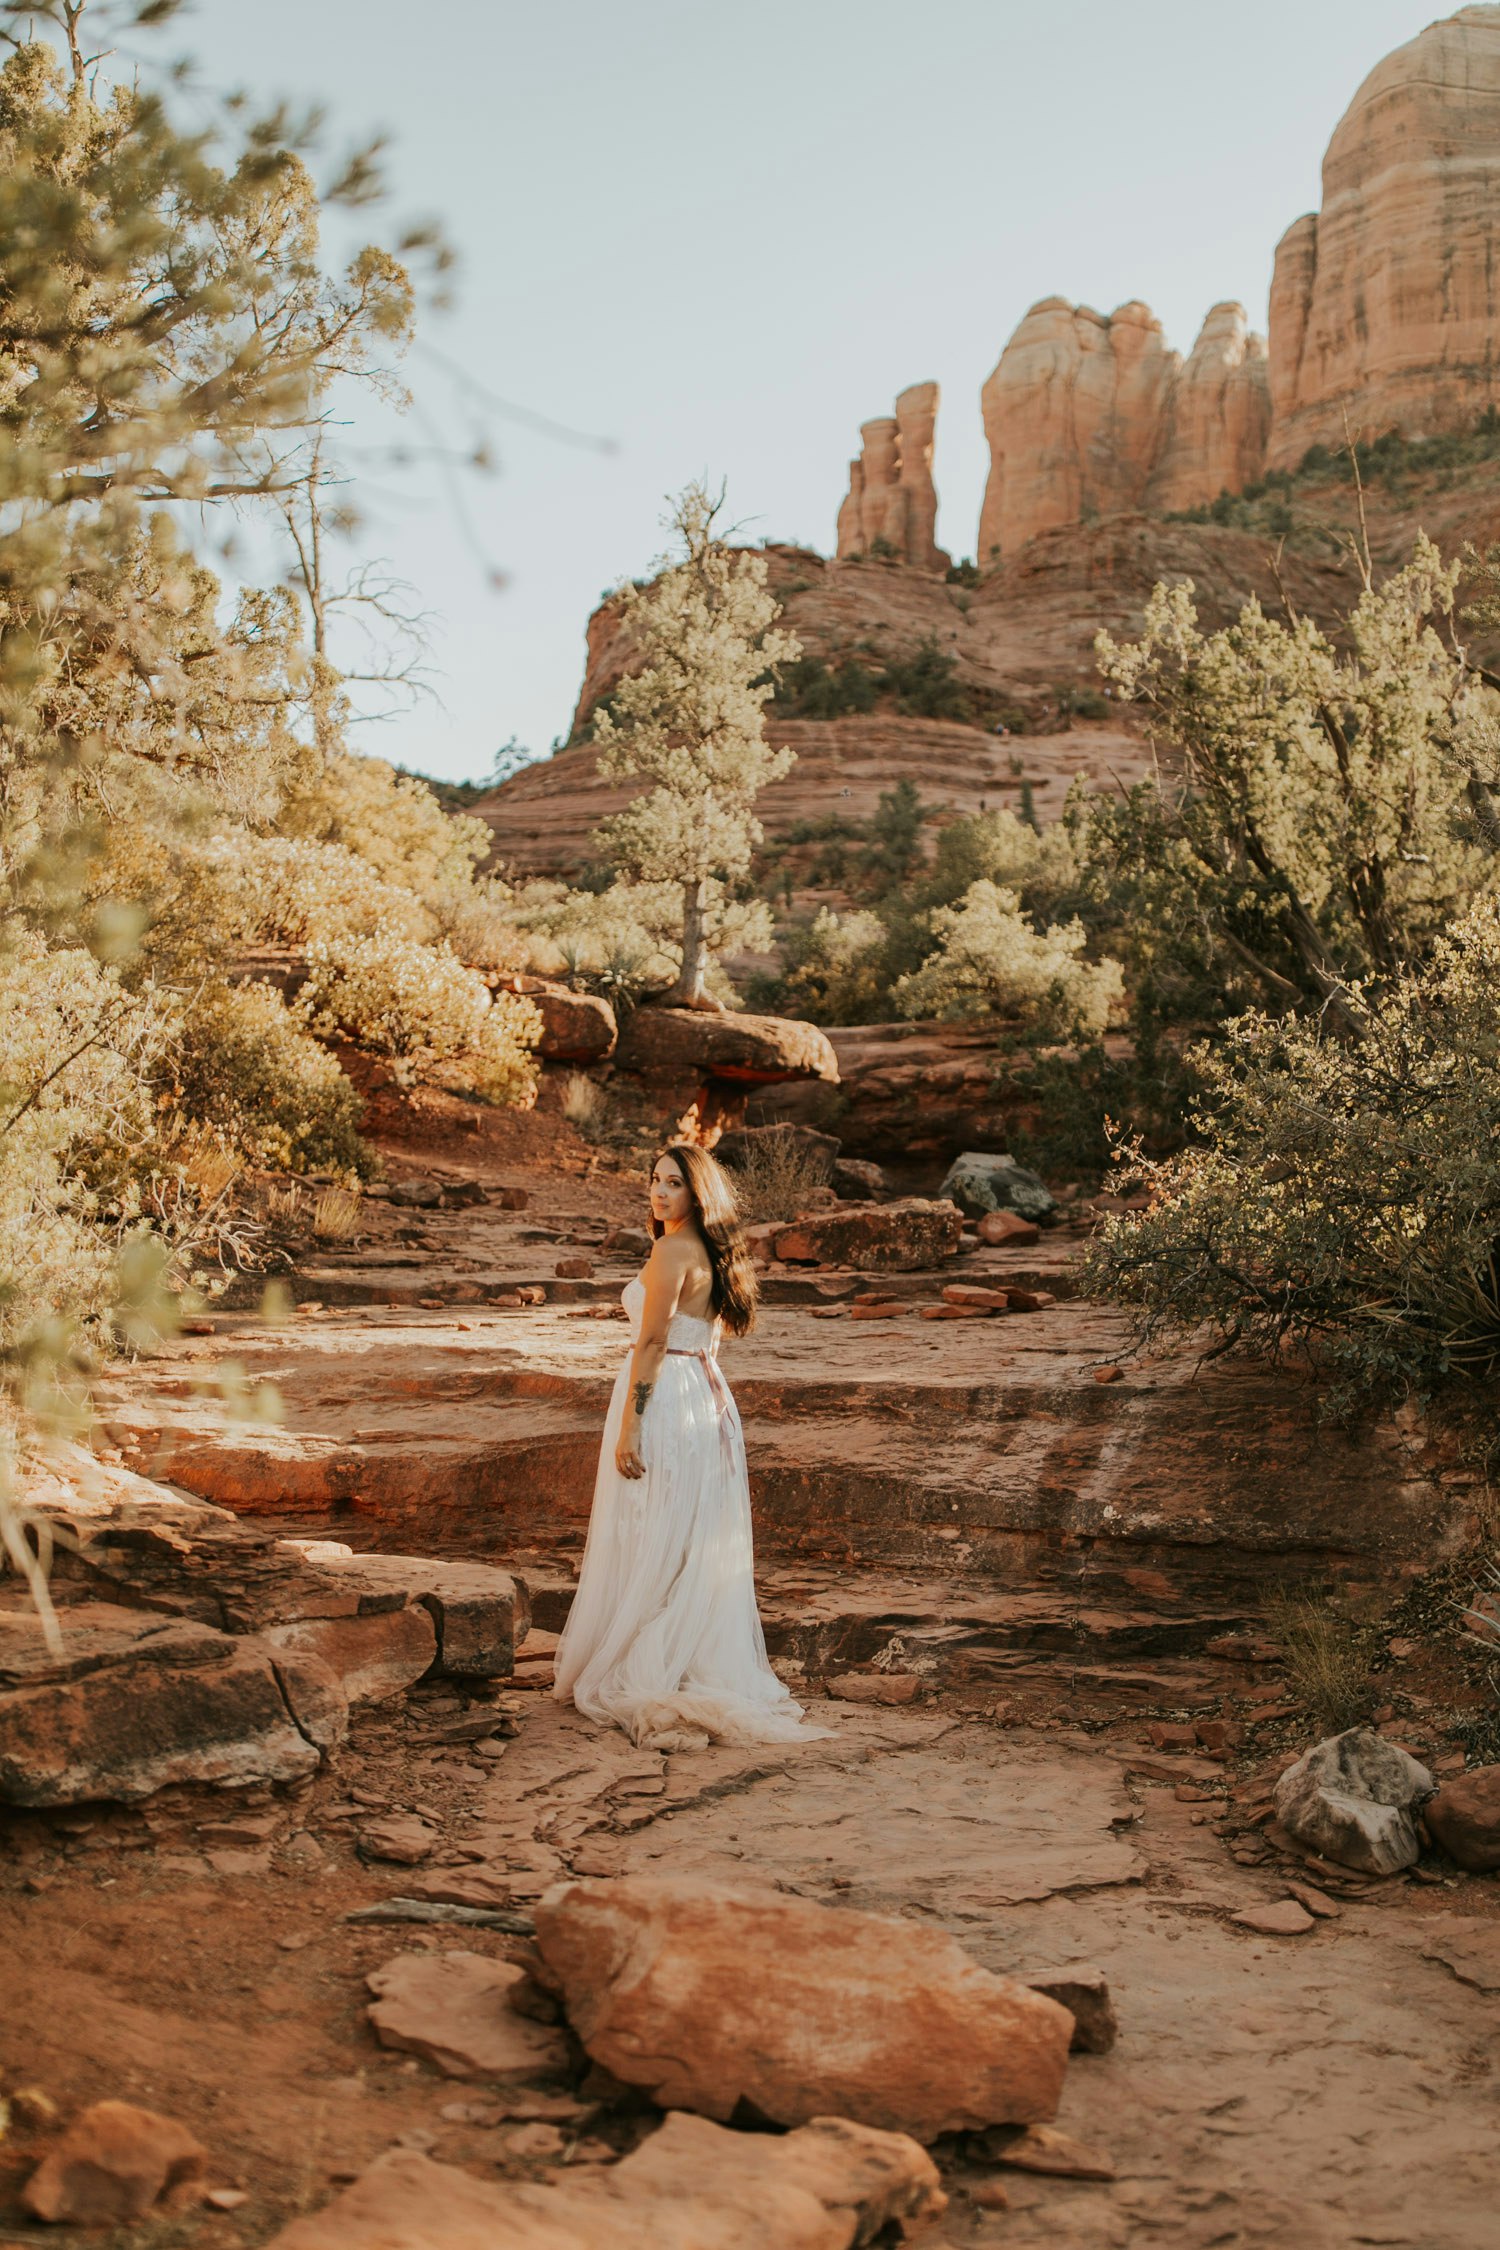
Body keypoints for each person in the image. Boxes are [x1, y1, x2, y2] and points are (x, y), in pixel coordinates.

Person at [553, 1141, 825, 1752]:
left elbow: (650, 1344)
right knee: (687, 1530)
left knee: (652, 1524)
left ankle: (649, 1661)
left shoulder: (672, 1249)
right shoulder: (712, 1251)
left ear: (696, 1193)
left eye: (673, 1183)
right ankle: (681, 1652)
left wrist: (630, 1425)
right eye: (654, 1179)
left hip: (667, 1395)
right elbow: (711, 1340)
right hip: (705, 1394)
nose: (659, 1191)